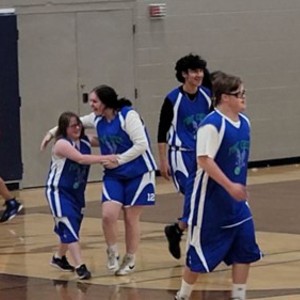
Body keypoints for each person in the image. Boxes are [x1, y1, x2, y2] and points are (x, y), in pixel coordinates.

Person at [41, 85, 157, 276]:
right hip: (114, 174)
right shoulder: (96, 119)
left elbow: (142, 144)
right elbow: (73, 122)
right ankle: (112, 251)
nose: (91, 104)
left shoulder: (128, 116)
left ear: (106, 102)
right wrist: (52, 133)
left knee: (130, 217)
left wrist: (118, 159)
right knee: (108, 215)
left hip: (139, 172)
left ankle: (130, 258)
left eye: (95, 101)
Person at [175, 73, 262, 300]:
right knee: (198, 259)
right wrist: (229, 186)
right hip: (210, 204)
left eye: (244, 93)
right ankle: (182, 296)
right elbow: (204, 160)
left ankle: (239, 296)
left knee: (245, 248)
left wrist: (238, 188)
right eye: (239, 94)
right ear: (224, 97)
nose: (244, 97)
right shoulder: (211, 125)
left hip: (237, 205)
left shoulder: (245, 123)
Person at [45, 111, 117, 280]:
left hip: (76, 192)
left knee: (72, 227)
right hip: (58, 191)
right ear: (64, 128)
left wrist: (122, 135)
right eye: (73, 125)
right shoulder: (61, 144)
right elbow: (81, 159)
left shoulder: (85, 140)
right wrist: (106, 158)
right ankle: (80, 267)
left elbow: (105, 140)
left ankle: (58, 258)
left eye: (79, 124)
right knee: (68, 224)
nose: (77, 127)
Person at [157, 53, 213, 259]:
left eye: (200, 71)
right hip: (180, 156)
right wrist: (162, 161)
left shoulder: (208, 95)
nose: (198, 75)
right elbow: (161, 132)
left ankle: (178, 230)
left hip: (202, 155)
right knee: (195, 195)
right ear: (184, 74)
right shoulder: (173, 99)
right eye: (194, 71)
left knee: (199, 197)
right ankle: (191, 241)